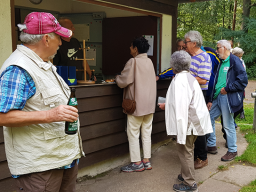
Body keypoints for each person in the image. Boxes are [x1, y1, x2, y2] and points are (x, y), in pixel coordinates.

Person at [0, 12, 84, 191]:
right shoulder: (18, 68)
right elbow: (3, 117)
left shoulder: (43, 64)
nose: (61, 43)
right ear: (46, 39)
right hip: (41, 168)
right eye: (58, 38)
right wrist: (50, 115)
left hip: (62, 159)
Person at [158, 50, 212, 192]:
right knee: (187, 151)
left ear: (174, 66)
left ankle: (190, 184)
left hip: (188, 123)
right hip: (194, 121)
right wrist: (167, 104)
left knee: (185, 151)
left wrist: (180, 134)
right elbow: (180, 102)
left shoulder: (180, 81)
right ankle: (185, 175)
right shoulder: (188, 77)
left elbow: (182, 108)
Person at [116, 36, 156, 172]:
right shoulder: (149, 62)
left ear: (136, 49)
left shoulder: (133, 62)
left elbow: (123, 81)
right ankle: (146, 160)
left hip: (136, 105)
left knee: (133, 133)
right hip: (149, 105)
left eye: (131, 47)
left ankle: (137, 163)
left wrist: (116, 77)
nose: (129, 49)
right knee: (146, 133)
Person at [206, 40, 248, 161]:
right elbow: (216, 81)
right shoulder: (221, 62)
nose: (216, 50)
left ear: (224, 48)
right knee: (208, 117)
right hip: (217, 97)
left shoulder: (235, 61)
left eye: (218, 48)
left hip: (227, 97)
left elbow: (243, 80)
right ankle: (211, 145)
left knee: (228, 124)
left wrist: (228, 88)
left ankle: (232, 150)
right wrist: (210, 99)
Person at [184, 31, 212, 169]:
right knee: (191, 125)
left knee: (198, 126)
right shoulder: (190, 57)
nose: (185, 44)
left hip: (200, 94)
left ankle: (203, 158)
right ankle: (194, 155)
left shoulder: (204, 57)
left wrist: (185, 78)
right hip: (190, 94)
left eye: (187, 41)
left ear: (194, 43)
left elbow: (203, 79)